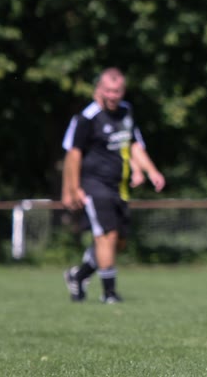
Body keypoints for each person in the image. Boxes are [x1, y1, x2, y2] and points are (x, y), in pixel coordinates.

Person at [61, 67, 165, 303]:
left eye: (116, 91)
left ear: (123, 91)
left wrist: (151, 171)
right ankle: (109, 294)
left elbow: (133, 144)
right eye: (108, 90)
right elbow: (73, 154)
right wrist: (72, 188)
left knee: (119, 241)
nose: (112, 95)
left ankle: (79, 275)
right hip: (93, 184)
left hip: (119, 186)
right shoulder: (87, 117)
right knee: (106, 236)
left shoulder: (126, 112)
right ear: (98, 89)